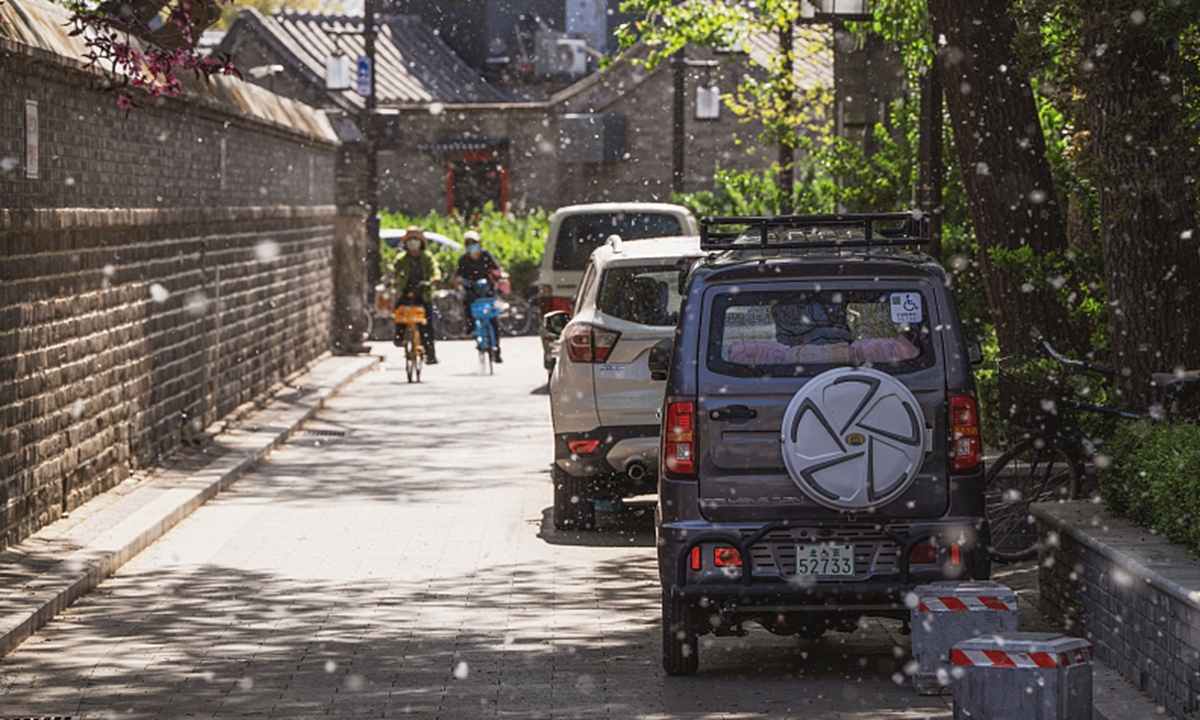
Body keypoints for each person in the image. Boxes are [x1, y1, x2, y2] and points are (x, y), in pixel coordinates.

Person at [390, 226, 441, 364]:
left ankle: (430, 354)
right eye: (410, 239)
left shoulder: (427, 257)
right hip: (406, 292)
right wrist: (389, 279)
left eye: (415, 239)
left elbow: (434, 268)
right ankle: (400, 337)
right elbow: (393, 269)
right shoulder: (402, 258)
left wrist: (435, 278)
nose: (413, 242)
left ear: (421, 242)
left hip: (423, 293)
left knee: (428, 323)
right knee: (399, 311)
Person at [454, 230, 504, 363]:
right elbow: (459, 274)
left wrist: (500, 275)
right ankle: (470, 328)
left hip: (488, 289)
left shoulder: (486, 255)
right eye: (469, 243)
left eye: (474, 242)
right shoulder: (463, 259)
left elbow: (496, 268)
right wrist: (460, 279)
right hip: (472, 290)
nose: (472, 245)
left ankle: (496, 350)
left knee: (493, 319)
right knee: (468, 304)